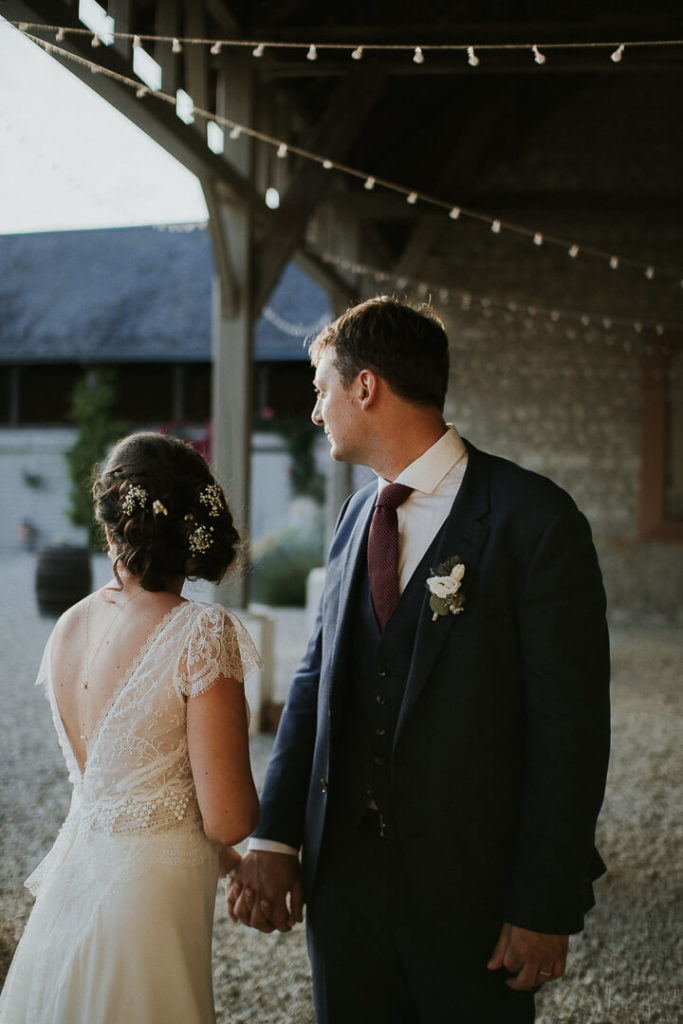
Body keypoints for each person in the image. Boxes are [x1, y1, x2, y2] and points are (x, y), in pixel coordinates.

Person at [227, 296, 611, 1024]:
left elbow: (571, 730)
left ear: (363, 386)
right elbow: (315, 683)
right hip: (341, 889)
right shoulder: (351, 519)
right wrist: (275, 837)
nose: (316, 413)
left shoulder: (535, 521)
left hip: (474, 891)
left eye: (321, 391)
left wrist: (545, 902)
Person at [0, 432, 260, 1024]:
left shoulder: (69, 625)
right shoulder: (201, 633)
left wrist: (233, 866)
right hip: (149, 905)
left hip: (76, 886)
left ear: (113, 523)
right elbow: (229, 817)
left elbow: (124, 784)